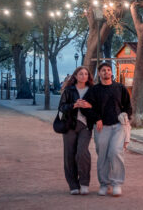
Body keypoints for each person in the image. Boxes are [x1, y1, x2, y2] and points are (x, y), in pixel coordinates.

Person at [83, 62, 131, 197]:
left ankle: (117, 184)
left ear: (112, 72)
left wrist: (126, 115)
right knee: (102, 156)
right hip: (101, 128)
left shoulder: (120, 88)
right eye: (103, 70)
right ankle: (104, 184)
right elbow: (86, 107)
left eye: (109, 70)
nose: (106, 72)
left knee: (115, 152)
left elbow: (128, 106)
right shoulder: (94, 90)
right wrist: (97, 118)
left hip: (118, 126)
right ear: (99, 73)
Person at [58, 67, 96, 195]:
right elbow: (62, 107)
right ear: (75, 76)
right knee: (69, 155)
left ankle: (84, 183)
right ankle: (73, 184)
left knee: (82, 152)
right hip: (70, 125)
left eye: (86, 74)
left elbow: (97, 107)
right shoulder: (69, 90)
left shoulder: (92, 90)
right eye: (81, 74)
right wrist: (74, 105)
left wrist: (88, 105)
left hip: (85, 126)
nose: (83, 76)